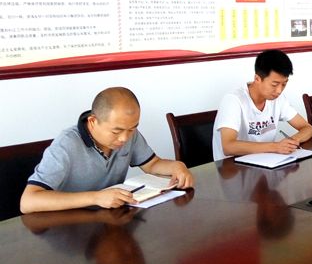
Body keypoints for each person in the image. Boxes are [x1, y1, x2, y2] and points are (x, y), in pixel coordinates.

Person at [20, 87, 194, 214]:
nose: (124, 138)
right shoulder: (66, 144)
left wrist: (176, 166)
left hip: (109, 219)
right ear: (93, 121)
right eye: (116, 131)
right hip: (69, 225)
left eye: (132, 129)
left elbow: (152, 164)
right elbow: (28, 201)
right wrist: (96, 197)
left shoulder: (129, 134)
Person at [212, 49, 312, 160]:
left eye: (284, 84)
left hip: (266, 162)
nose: (279, 91)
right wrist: (275, 147)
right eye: (274, 84)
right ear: (257, 79)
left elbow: (308, 128)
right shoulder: (233, 100)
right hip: (231, 166)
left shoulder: (278, 99)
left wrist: (292, 141)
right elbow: (228, 147)